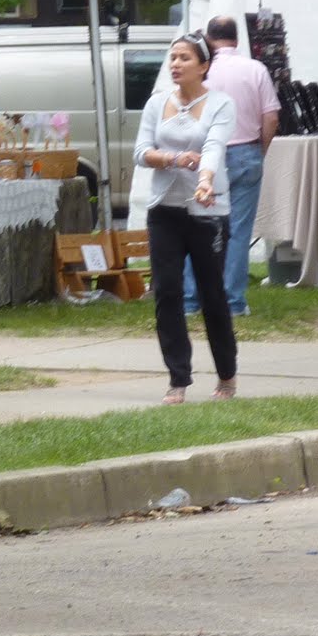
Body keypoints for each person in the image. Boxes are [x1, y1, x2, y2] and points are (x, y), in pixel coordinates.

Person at [133, 31, 238, 405]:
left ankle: (227, 374)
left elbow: (213, 146)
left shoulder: (221, 104)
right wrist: (174, 159)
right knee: (168, 292)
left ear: (204, 66)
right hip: (164, 211)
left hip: (207, 211)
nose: (175, 64)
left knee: (212, 295)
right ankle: (178, 378)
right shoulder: (156, 103)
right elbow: (141, 151)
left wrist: (205, 179)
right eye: (172, 57)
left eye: (185, 58)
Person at [183, 15, 278, 317]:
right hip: (247, 151)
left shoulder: (202, 72)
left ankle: (191, 298)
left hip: (206, 155)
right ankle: (232, 301)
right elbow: (271, 117)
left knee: (198, 227)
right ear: (237, 40)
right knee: (237, 232)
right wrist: (259, 149)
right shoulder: (256, 69)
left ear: (209, 39)